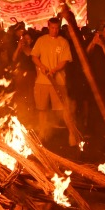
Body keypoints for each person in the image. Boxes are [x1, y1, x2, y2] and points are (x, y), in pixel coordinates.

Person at [31, 17, 77, 146]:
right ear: (48, 26)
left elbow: (65, 61)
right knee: (42, 109)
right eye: (52, 28)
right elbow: (34, 56)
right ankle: (42, 134)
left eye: (57, 28)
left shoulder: (63, 42)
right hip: (42, 81)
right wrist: (42, 66)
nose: (55, 30)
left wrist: (55, 70)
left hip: (58, 82)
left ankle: (72, 133)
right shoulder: (41, 40)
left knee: (64, 109)